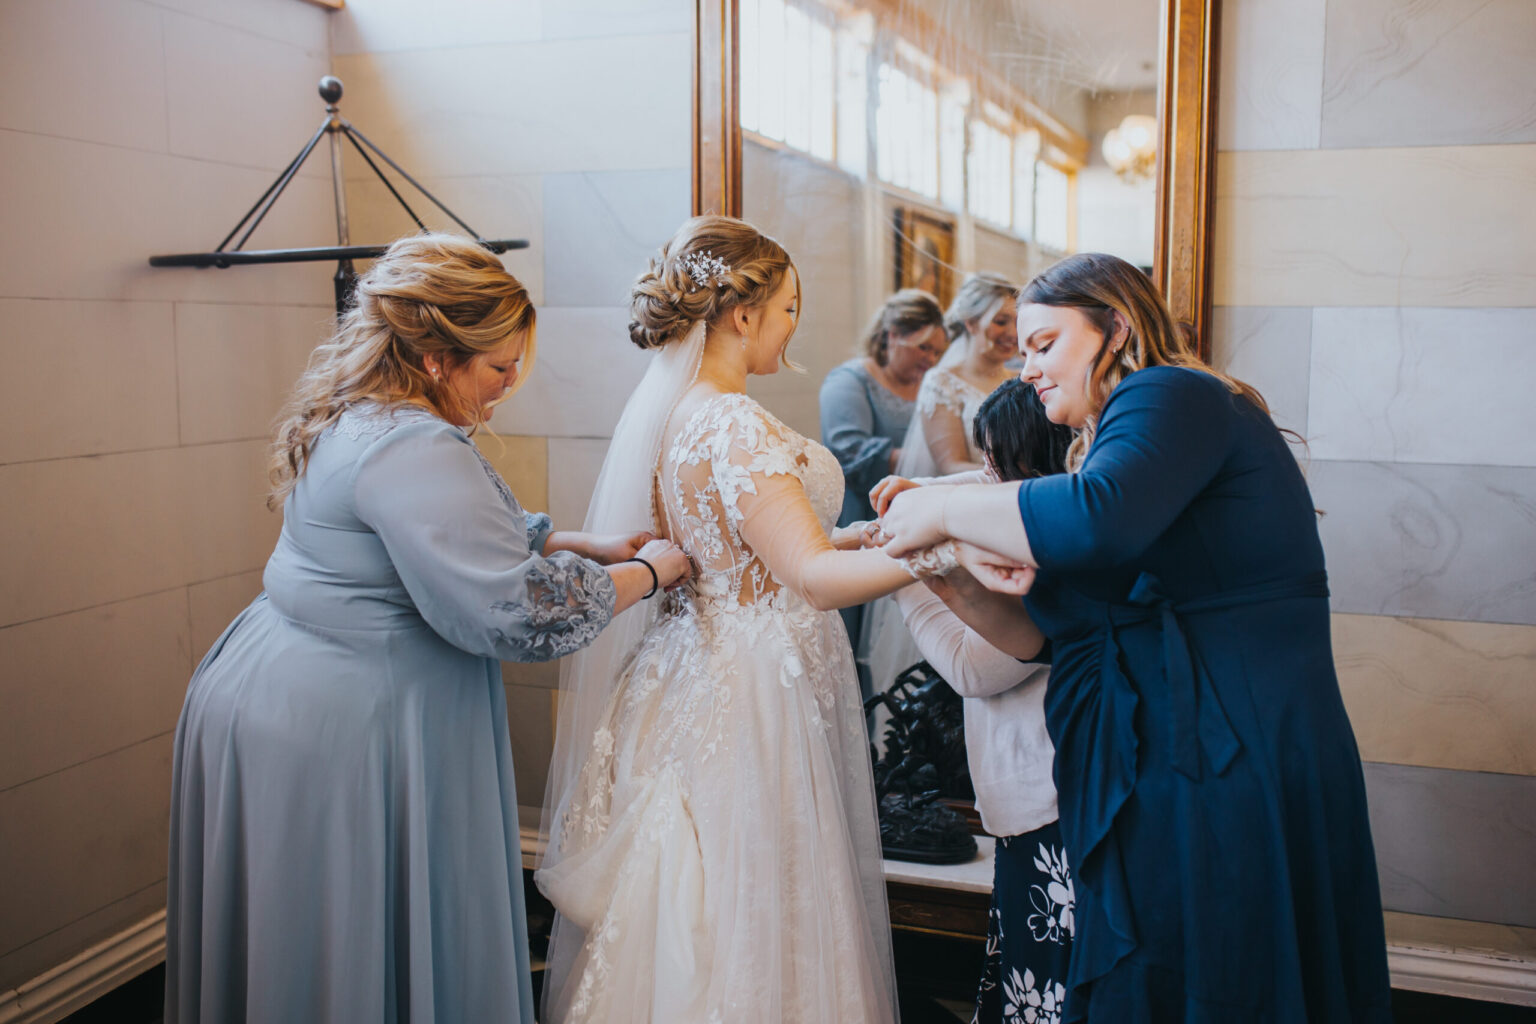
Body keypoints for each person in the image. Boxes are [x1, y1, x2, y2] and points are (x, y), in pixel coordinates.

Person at [165, 234, 690, 1024]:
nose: (509, 386)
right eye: (498, 367)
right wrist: (650, 574)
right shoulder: (413, 442)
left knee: (303, 930)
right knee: (348, 921)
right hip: (348, 722)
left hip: (273, 683)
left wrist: (570, 542)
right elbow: (514, 612)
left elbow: (434, 533)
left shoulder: (361, 410)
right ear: (439, 357)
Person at [880, 252, 1393, 1022]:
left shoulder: (1173, 392)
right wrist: (945, 573)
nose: (1028, 371)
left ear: (1115, 329)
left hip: (1233, 742)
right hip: (1166, 755)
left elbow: (1099, 518)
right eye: (1023, 350)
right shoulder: (1106, 445)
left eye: (1046, 345)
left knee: (1225, 970)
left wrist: (943, 510)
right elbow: (1037, 641)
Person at [534, 216, 955, 1023]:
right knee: (760, 896)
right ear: (742, 313)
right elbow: (814, 580)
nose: (794, 325)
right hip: (751, 691)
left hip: (694, 667)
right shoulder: (731, 420)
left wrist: (856, 534)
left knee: (711, 896)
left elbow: (744, 550)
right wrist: (942, 546)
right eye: (790, 306)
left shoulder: (679, 412)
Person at [878, 379, 1075, 1023]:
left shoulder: (1049, 555)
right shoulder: (1031, 511)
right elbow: (974, 492)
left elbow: (971, 668)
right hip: (1038, 804)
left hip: (1055, 809)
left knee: (1045, 993)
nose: (978, 479)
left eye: (993, 464)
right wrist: (924, 502)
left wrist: (905, 570)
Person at [862, 271, 1019, 700]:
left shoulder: (1021, 378)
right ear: (970, 321)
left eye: (1016, 320)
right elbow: (950, 460)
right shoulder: (943, 381)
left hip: (1004, 526)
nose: (1012, 332)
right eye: (1001, 320)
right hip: (957, 524)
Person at [819, 288, 947, 705]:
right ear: (893, 335)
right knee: (854, 642)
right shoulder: (850, 381)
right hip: (860, 518)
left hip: (913, 522)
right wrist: (930, 460)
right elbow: (847, 450)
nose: (930, 359)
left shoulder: (930, 386)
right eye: (923, 346)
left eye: (937, 350)